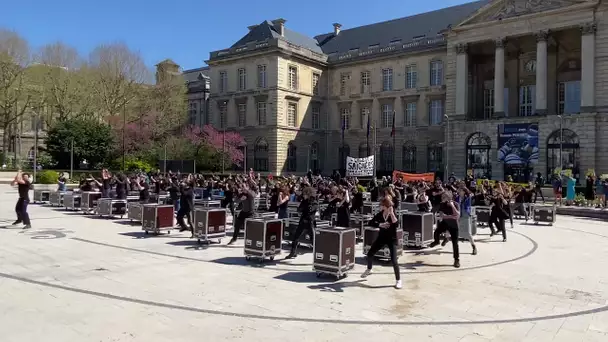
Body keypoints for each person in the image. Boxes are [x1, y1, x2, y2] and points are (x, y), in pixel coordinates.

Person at [360, 196, 401, 289]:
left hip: (392, 239)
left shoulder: (392, 213)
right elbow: (370, 222)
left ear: (385, 206)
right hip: (381, 238)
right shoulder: (380, 214)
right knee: (370, 254)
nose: (379, 207)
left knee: (394, 260)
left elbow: (397, 224)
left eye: (381, 205)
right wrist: (380, 224)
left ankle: (398, 280)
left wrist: (391, 214)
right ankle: (369, 269)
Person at [429, 191, 461, 268]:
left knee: (455, 243)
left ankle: (456, 260)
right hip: (445, 223)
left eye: (444, 197)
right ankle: (436, 241)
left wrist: (452, 206)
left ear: (449, 198)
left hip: (454, 225)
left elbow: (457, 216)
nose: (442, 198)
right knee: (436, 232)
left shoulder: (456, 204)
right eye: (442, 197)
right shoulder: (442, 204)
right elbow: (435, 211)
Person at [285, 186, 318, 259]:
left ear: (308, 194)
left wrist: (306, 206)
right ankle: (292, 252)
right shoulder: (304, 201)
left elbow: (311, 210)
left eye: (305, 194)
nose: (303, 195)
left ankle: (317, 254)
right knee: (296, 236)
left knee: (313, 239)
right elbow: (299, 209)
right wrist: (302, 207)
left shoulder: (314, 202)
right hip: (303, 221)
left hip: (310, 222)